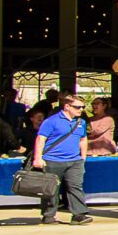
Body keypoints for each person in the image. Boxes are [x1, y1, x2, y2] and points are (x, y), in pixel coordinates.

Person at [30, 91, 93, 225]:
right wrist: (38, 158)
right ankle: (48, 215)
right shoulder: (51, 121)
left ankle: (79, 214)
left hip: (74, 161)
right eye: (77, 107)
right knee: (51, 189)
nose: (81, 110)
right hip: (52, 160)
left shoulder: (81, 122)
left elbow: (83, 139)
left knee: (75, 187)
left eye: (82, 107)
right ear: (67, 107)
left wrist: (83, 157)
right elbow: (41, 139)